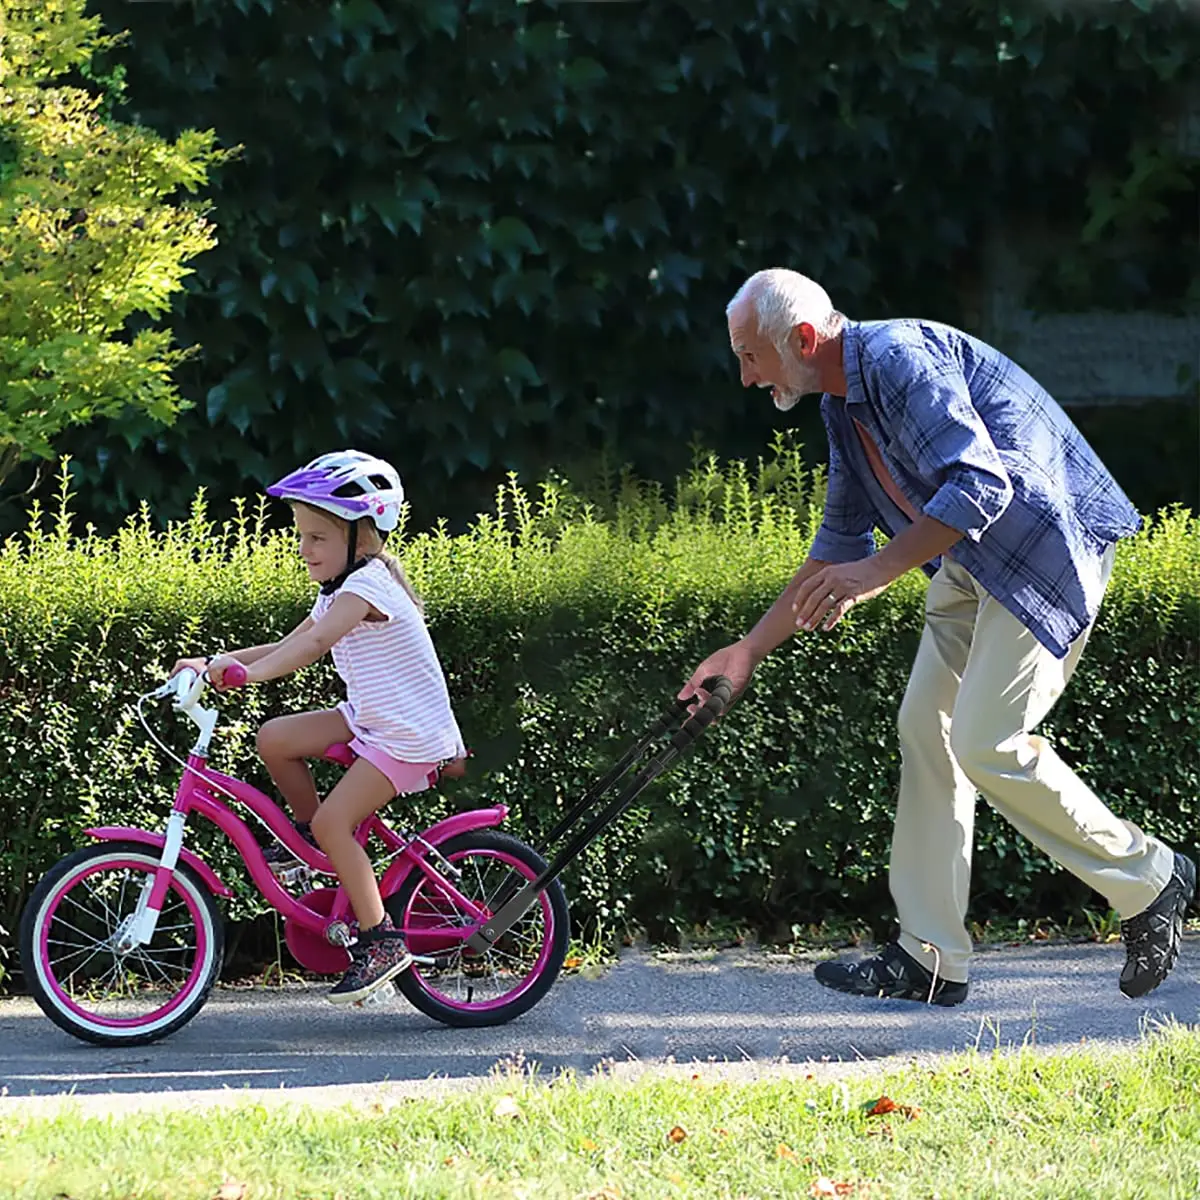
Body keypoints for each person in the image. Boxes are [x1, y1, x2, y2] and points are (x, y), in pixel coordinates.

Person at [683, 268, 1195, 1006]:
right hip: (968, 563)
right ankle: (929, 958)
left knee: (987, 740)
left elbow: (982, 483)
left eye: (751, 356)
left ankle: (1151, 878)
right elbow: (838, 542)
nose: (746, 377)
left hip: (1039, 554)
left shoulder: (897, 358)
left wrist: (877, 572)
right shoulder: (842, 405)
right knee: (927, 726)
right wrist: (746, 651)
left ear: (802, 338)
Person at [172, 449, 466, 1005]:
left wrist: (248, 676)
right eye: (301, 536)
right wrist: (214, 662)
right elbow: (292, 639)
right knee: (275, 738)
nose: (304, 548)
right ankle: (311, 841)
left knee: (338, 820)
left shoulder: (368, 588)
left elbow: (313, 645)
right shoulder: (339, 587)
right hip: (372, 719)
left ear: (362, 537)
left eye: (317, 538)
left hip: (406, 734)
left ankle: (381, 940)